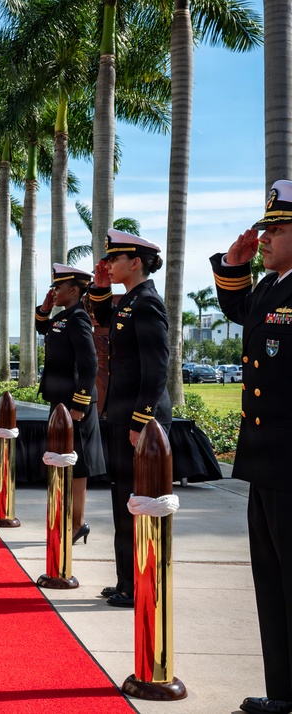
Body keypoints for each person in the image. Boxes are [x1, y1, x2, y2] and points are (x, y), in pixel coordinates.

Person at [212, 179, 292, 714]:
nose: (263, 238)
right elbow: (240, 310)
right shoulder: (270, 287)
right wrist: (235, 263)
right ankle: (283, 692)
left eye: (275, 230)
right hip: (265, 459)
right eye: (263, 230)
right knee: (271, 580)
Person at [88, 229, 170, 609]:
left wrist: (142, 422)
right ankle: (126, 580)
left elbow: (157, 369)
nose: (108, 264)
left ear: (135, 262)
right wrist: (101, 286)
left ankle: (138, 584)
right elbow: (106, 319)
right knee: (125, 502)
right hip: (122, 418)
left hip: (138, 422)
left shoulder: (148, 303)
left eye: (115, 259)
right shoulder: (131, 300)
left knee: (136, 503)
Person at [35, 263, 107, 546]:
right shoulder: (64, 316)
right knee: (64, 462)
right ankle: (69, 520)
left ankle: (77, 523)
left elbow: (91, 365)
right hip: (61, 403)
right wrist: (45, 307)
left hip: (76, 404)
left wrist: (79, 404)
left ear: (74, 290)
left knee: (78, 466)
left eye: (58, 287)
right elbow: (42, 327)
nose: (54, 290)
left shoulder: (78, 318)